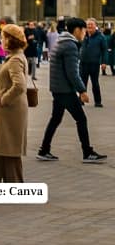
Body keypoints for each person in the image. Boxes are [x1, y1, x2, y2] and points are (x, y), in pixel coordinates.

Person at [37, 18, 107, 163]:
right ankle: (87, 152)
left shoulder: (61, 41)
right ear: (77, 30)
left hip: (58, 87)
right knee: (81, 119)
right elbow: (72, 72)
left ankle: (44, 150)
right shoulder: (70, 46)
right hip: (64, 89)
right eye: (83, 30)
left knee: (55, 119)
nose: (85, 33)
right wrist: (82, 90)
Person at [0, 24, 30, 183]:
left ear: (11, 40)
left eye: (3, 37)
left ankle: (14, 186)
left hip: (10, 111)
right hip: (7, 111)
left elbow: (19, 85)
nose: (1, 40)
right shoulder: (15, 56)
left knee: (8, 150)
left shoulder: (15, 59)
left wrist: (4, 98)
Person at [80, 18, 106, 108]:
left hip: (94, 63)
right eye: (88, 25)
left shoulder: (101, 37)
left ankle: (98, 101)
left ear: (96, 26)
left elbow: (104, 50)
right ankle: (81, 100)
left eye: (91, 24)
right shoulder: (83, 35)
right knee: (82, 83)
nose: (89, 26)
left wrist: (103, 62)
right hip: (83, 63)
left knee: (95, 83)